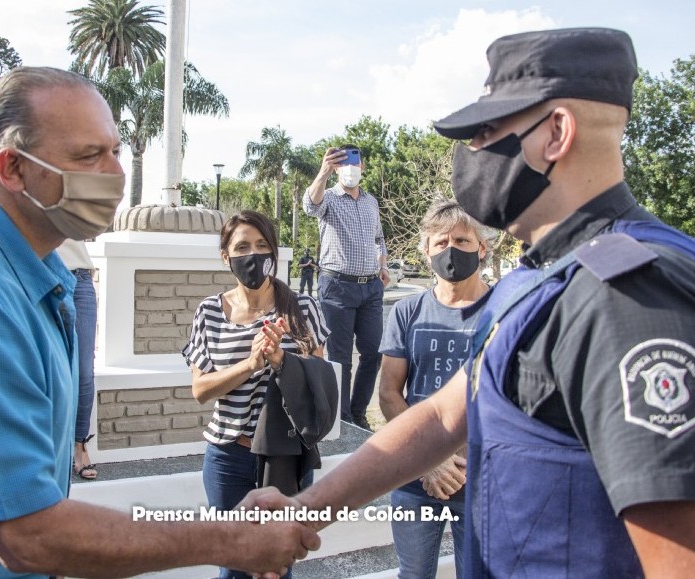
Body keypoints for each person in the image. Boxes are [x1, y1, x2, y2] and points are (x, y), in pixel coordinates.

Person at [243, 28, 695, 578]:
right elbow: (442, 416)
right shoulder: (537, 275)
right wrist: (304, 510)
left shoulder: (630, 295)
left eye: (489, 132)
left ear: (556, 132)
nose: (473, 153)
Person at [0, 67, 318, 579]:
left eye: (115, 151)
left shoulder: (38, 267)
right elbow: (27, 535)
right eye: (88, 156)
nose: (115, 173)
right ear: (12, 168)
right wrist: (228, 538)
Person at [183, 209, 330, 579]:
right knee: (233, 563)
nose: (254, 255)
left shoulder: (302, 309)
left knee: (278, 563)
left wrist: (281, 361)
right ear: (226, 256)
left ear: (274, 253)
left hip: (285, 454)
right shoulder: (209, 312)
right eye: (243, 246)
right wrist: (250, 364)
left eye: (262, 245)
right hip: (228, 456)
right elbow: (200, 390)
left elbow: (319, 389)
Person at [378, 201, 490, 579]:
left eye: (462, 239)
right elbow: (390, 393)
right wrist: (431, 460)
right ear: (426, 251)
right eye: (440, 242)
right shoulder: (407, 312)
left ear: (482, 247)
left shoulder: (504, 308)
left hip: (481, 478)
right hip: (415, 476)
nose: (451, 249)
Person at [303, 144, 390, 430]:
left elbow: (379, 238)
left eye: (354, 162)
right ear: (336, 167)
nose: (350, 168)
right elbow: (309, 206)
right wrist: (323, 171)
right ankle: (342, 419)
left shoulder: (371, 202)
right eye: (342, 163)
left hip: (371, 289)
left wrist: (383, 266)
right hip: (337, 288)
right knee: (340, 358)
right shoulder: (328, 198)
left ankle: (358, 413)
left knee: (373, 352)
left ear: (362, 166)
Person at [56, 239, 99, 481]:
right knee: (50, 366)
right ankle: (53, 449)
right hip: (45, 273)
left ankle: (80, 445)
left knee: (84, 370)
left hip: (81, 278)